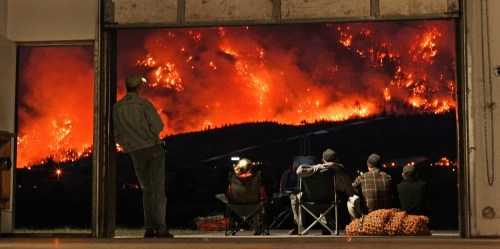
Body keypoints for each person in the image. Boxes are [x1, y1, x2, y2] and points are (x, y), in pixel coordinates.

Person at [113, 74, 172, 238]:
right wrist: (149, 134)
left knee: (146, 189)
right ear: (139, 86)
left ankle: (149, 228)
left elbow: (117, 134)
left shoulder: (117, 108)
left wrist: (129, 145)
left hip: (136, 152)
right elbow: (158, 127)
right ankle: (161, 227)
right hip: (153, 148)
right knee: (158, 189)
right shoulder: (143, 104)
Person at [288, 149, 355, 235]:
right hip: (329, 204)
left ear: (323, 160)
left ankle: (300, 226)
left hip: (307, 203)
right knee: (331, 194)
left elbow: (299, 171)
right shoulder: (340, 173)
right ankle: (325, 226)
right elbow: (351, 193)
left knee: (294, 197)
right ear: (337, 160)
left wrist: (318, 166)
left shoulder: (311, 171)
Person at [350, 153, 392, 219]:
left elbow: (350, 189)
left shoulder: (362, 177)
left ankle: (357, 224)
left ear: (368, 164)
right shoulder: (388, 177)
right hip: (385, 212)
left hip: (369, 213)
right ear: (380, 164)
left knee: (350, 199)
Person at [231, 158, 266, 235]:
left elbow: (230, 194)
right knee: (257, 204)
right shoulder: (255, 178)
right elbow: (261, 192)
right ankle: (257, 228)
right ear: (250, 168)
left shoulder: (233, 178)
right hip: (254, 206)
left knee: (255, 203)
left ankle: (234, 227)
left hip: (237, 206)